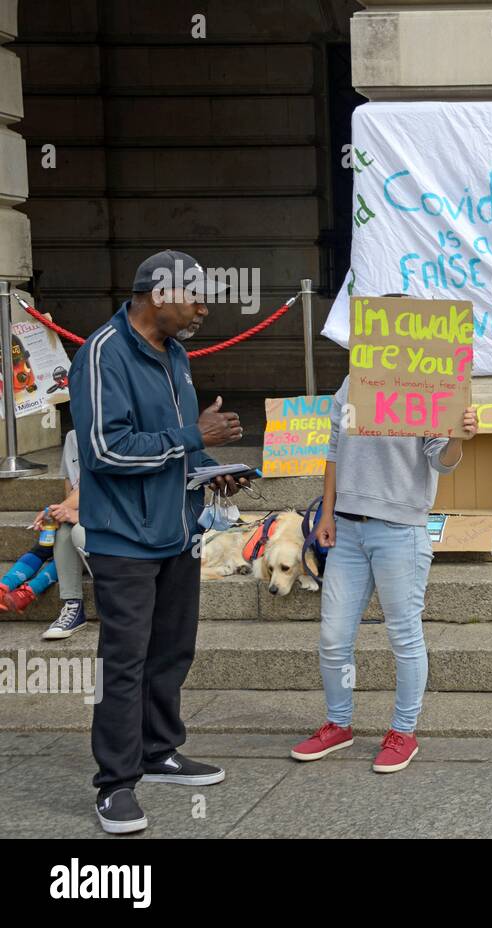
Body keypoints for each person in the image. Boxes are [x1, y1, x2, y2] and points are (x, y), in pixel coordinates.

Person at [69, 250, 246, 835]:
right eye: (194, 296)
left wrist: (211, 463)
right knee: (125, 661)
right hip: (124, 537)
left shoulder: (177, 354)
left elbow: (177, 447)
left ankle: (159, 751)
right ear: (158, 295)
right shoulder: (102, 354)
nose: (202, 307)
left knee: (172, 650)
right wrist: (193, 435)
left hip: (177, 530)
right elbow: (105, 450)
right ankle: (115, 785)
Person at [290, 375, 478, 774]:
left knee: (404, 634)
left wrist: (459, 437)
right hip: (347, 527)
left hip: (400, 530)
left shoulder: (432, 384)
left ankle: (403, 732)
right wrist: (326, 512)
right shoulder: (352, 379)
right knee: (333, 635)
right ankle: (338, 724)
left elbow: (439, 461)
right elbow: (334, 447)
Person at [0, 430, 88, 639]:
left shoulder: (112, 432)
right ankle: (7, 586)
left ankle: (30, 590)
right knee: (55, 535)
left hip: (106, 517)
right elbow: (71, 490)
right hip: (79, 511)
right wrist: (60, 513)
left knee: (71, 533)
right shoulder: (73, 437)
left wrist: (64, 512)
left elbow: (99, 487)